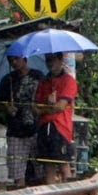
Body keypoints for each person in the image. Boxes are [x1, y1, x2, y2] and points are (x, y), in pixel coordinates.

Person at [34, 52, 78, 183]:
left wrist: (45, 109)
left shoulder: (68, 81)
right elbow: (35, 108)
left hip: (61, 128)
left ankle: (70, 192)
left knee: (63, 163)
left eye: (52, 59)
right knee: (48, 165)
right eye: (47, 60)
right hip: (44, 127)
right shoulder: (43, 81)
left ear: (60, 59)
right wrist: (48, 106)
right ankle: (50, 191)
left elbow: (61, 106)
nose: (50, 63)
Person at [0, 54, 40, 187]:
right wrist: (7, 107)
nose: (14, 62)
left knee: (42, 169)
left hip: (37, 128)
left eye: (16, 59)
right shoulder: (7, 80)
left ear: (24, 58)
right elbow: (0, 102)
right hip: (16, 130)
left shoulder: (38, 76)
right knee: (17, 173)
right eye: (11, 60)